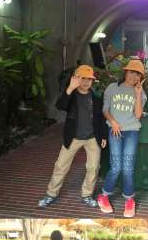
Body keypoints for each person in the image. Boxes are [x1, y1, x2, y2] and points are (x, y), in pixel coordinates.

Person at [38, 65, 107, 209]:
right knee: (61, 166)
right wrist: (70, 88)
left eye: (89, 79)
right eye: (82, 78)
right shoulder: (71, 96)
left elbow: (101, 119)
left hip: (92, 138)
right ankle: (51, 194)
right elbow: (60, 106)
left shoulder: (96, 98)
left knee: (93, 167)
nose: (86, 82)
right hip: (73, 137)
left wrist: (104, 136)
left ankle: (87, 194)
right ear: (76, 79)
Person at [98, 59, 147, 218]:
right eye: (132, 72)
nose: (134, 76)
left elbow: (138, 115)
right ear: (125, 72)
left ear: (141, 77)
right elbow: (105, 109)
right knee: (116, 167)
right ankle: (104, 196)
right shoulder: (112, 88)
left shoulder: (140, 92)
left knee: (127, 168)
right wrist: (113, 122)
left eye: (138, 74)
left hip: (132, 131)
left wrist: (138, 94)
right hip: (115, 131)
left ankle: (129, 199)